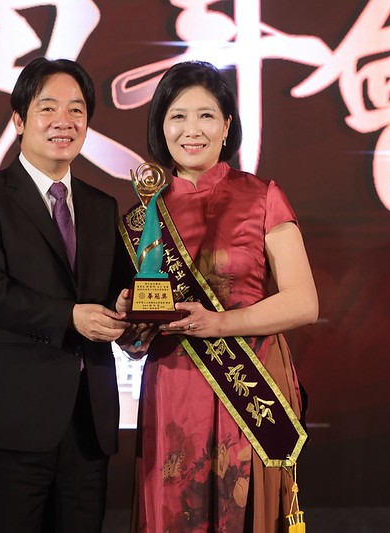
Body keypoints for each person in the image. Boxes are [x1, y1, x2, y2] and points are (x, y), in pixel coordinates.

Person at [122, 61, 319, 532]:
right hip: (173, 387)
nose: (192, 129)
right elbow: (134, 333)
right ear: (161, 126)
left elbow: (303, 302)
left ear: (227, 125)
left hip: (249, 380)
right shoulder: (142, 217)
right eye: (178, 116)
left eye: (206, 115)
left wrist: (219, 323)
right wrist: (131, 325)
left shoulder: (262, 196)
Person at [0, 57, 130, 532]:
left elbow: (115, 291)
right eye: (47, 107)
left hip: (88, 423)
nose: (63, 121)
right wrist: (70, 317)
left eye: (76, 110)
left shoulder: (101, 206)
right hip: (11, 421)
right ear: (19, 120)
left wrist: (129, 311)